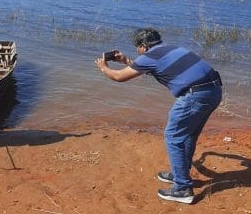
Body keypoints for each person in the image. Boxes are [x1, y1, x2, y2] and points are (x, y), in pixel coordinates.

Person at [95, 28, 222, 204]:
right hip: (214, 91)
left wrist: (103, 67)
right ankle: (180, 174)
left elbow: (119, 77)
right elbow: (148, 67)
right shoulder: (172, 49)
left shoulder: (148, 57)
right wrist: (125, 60)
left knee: (173, 136)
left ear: (142, 46)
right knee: (188, 135)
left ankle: (183, 188)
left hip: (194, 96)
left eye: (137, 47)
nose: (137, 51)